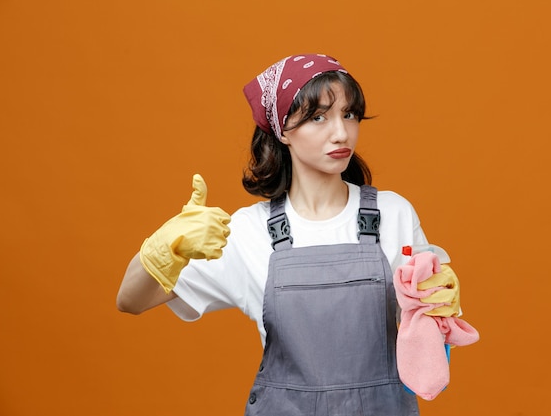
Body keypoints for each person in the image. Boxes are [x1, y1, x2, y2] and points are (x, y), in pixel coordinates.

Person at [117, 54, 433, 415]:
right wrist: (165, 249)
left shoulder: (393, 215)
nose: (342, 132)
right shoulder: (248, 232)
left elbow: (429, 332)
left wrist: (441, 310)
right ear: (282, 130)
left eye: (349, 114)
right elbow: (130, 300)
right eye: (319, 117)